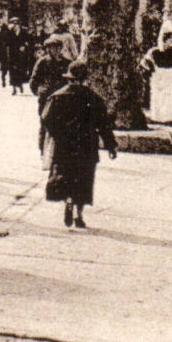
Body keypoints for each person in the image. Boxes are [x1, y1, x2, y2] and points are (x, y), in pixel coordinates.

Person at [40, 61, 118, 229]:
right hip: (87, 144)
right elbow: (104, 124)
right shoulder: (94, 98)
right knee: (84, 178)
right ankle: (79, 214)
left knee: (65, 174)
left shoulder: (57, 96)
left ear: (69, 78)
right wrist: (111, 145)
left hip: (65, 144)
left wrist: (57, 134)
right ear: (85, 79)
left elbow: (46, 118)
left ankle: (67, 200)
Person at [143, 29, 172, 124]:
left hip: (171, 75)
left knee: (171, 98)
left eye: (171, 39)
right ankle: (158, 118)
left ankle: (171, 119)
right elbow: (145, 62)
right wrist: (152, 70)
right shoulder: (155, 51)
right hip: (159, 75)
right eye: (168, 39)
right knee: (159, 97)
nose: (170, 42)